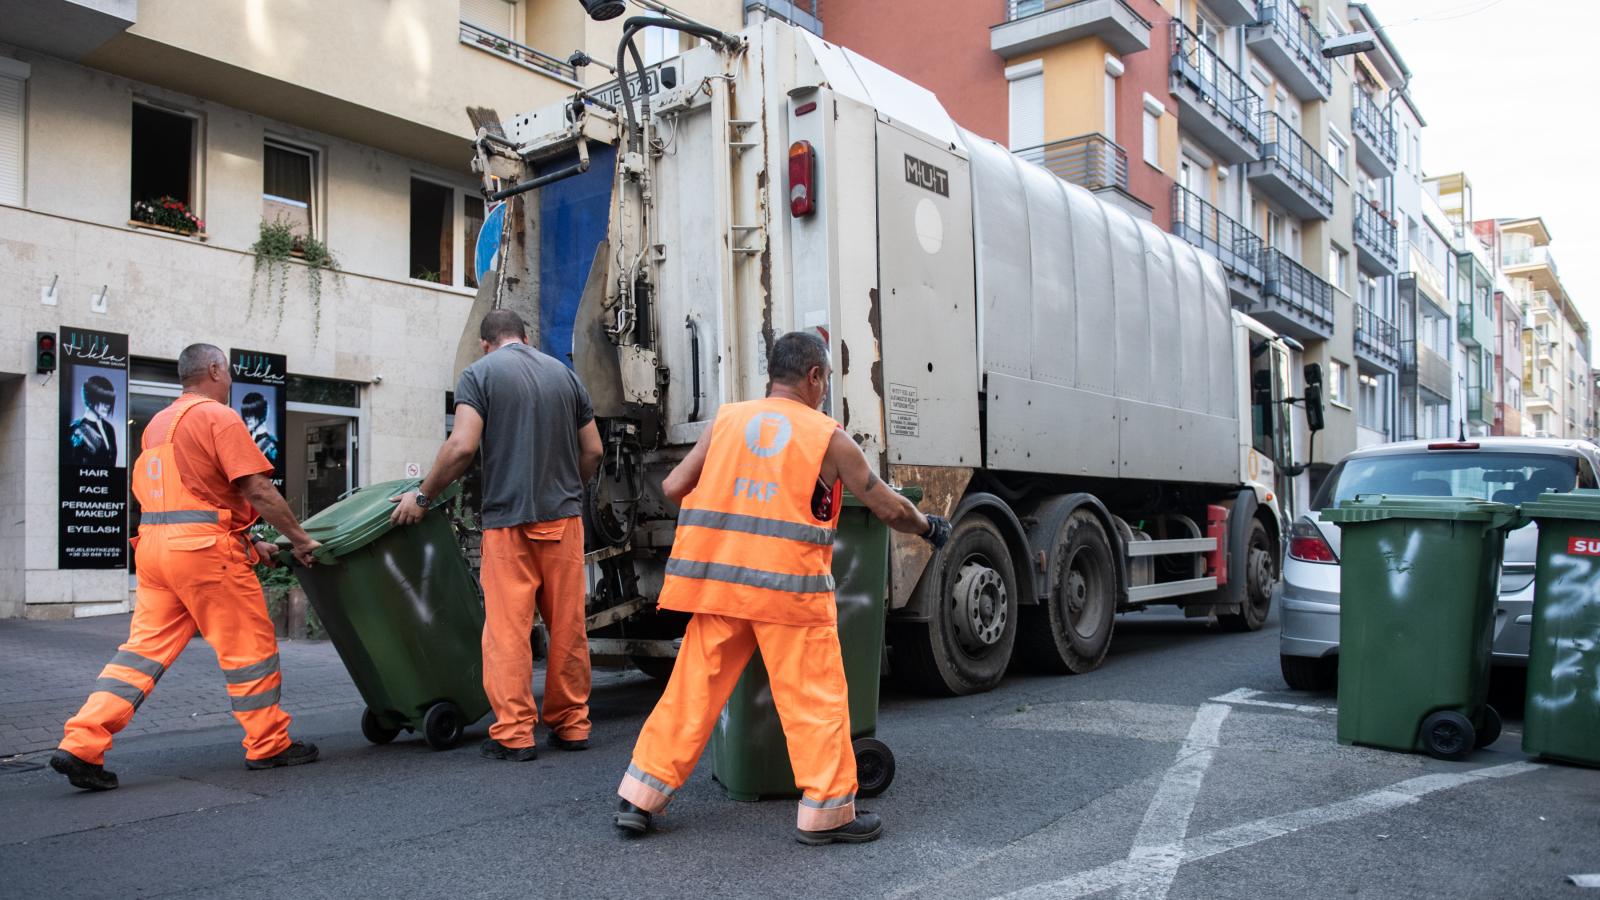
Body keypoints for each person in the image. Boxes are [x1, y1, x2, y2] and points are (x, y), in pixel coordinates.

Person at [613, 331, 950, 845]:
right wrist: (928, 527)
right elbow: (885, 505)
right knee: (815, 701)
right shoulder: (826, 437)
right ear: (814, 377)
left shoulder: (726, 422)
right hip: (790, 593)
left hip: (722, 587)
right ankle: (827, 815)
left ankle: (639, 798)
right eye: (826, 380)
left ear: (774, 374)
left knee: (692, 693)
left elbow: (674, 487)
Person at [52, 344, 323, 791]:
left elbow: (192, 498)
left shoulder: (158, 424)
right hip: (203, 556)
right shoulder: (218, 417)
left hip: (157, 554)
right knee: (249, 650)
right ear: (215, 369)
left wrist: (252, 541)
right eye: (229, 372)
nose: (231, 379)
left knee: (139, 655)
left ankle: (81, 742)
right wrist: (300, 538)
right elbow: (256, 489)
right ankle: (269, 744)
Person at [391, 309, 603, 761]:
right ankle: (571, 725)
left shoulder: (479, 374)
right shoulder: (565, 377)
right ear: (525, 337)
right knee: (567, 628)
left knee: (508, 631)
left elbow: (463, 445)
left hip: (509, 523)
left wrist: (423, 496)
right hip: (562, 521)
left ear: (486, 343)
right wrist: (568, 489)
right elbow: (594, 450)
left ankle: (515, 734)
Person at [67, 374, 118, 467]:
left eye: (109, 401)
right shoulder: (76, 429)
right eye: (103, 399)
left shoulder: (109, 428)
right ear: (90, 398)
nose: (108, 405)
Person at [239, 391, 279, 463]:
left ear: (260, 413)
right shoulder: (245, 437)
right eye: (245, 413)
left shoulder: (271, 445)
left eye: (251, 413)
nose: (247, 418)